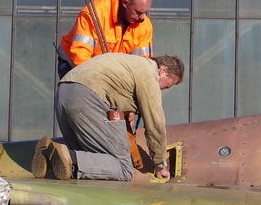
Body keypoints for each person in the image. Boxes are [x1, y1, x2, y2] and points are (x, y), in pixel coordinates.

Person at [33, 53, 184, 182]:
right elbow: (155, 122)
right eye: (166, 86)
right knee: (123, 168)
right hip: (86, 97)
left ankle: (48, 156)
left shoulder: (129, 62)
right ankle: (68, 155)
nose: (162, 90)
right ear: (163, 70)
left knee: (90, 158)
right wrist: (160, 163)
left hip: (63, 92)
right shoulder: (149, 73)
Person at [57, 0, 154, 79]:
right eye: (138, 12)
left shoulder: (144, 25)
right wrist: (99, 79)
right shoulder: (94, 14)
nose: (142, 18)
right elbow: (80, 55)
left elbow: (143, 63)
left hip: (108, 72)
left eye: (145, 12)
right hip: (74, 66)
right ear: (125, 3)